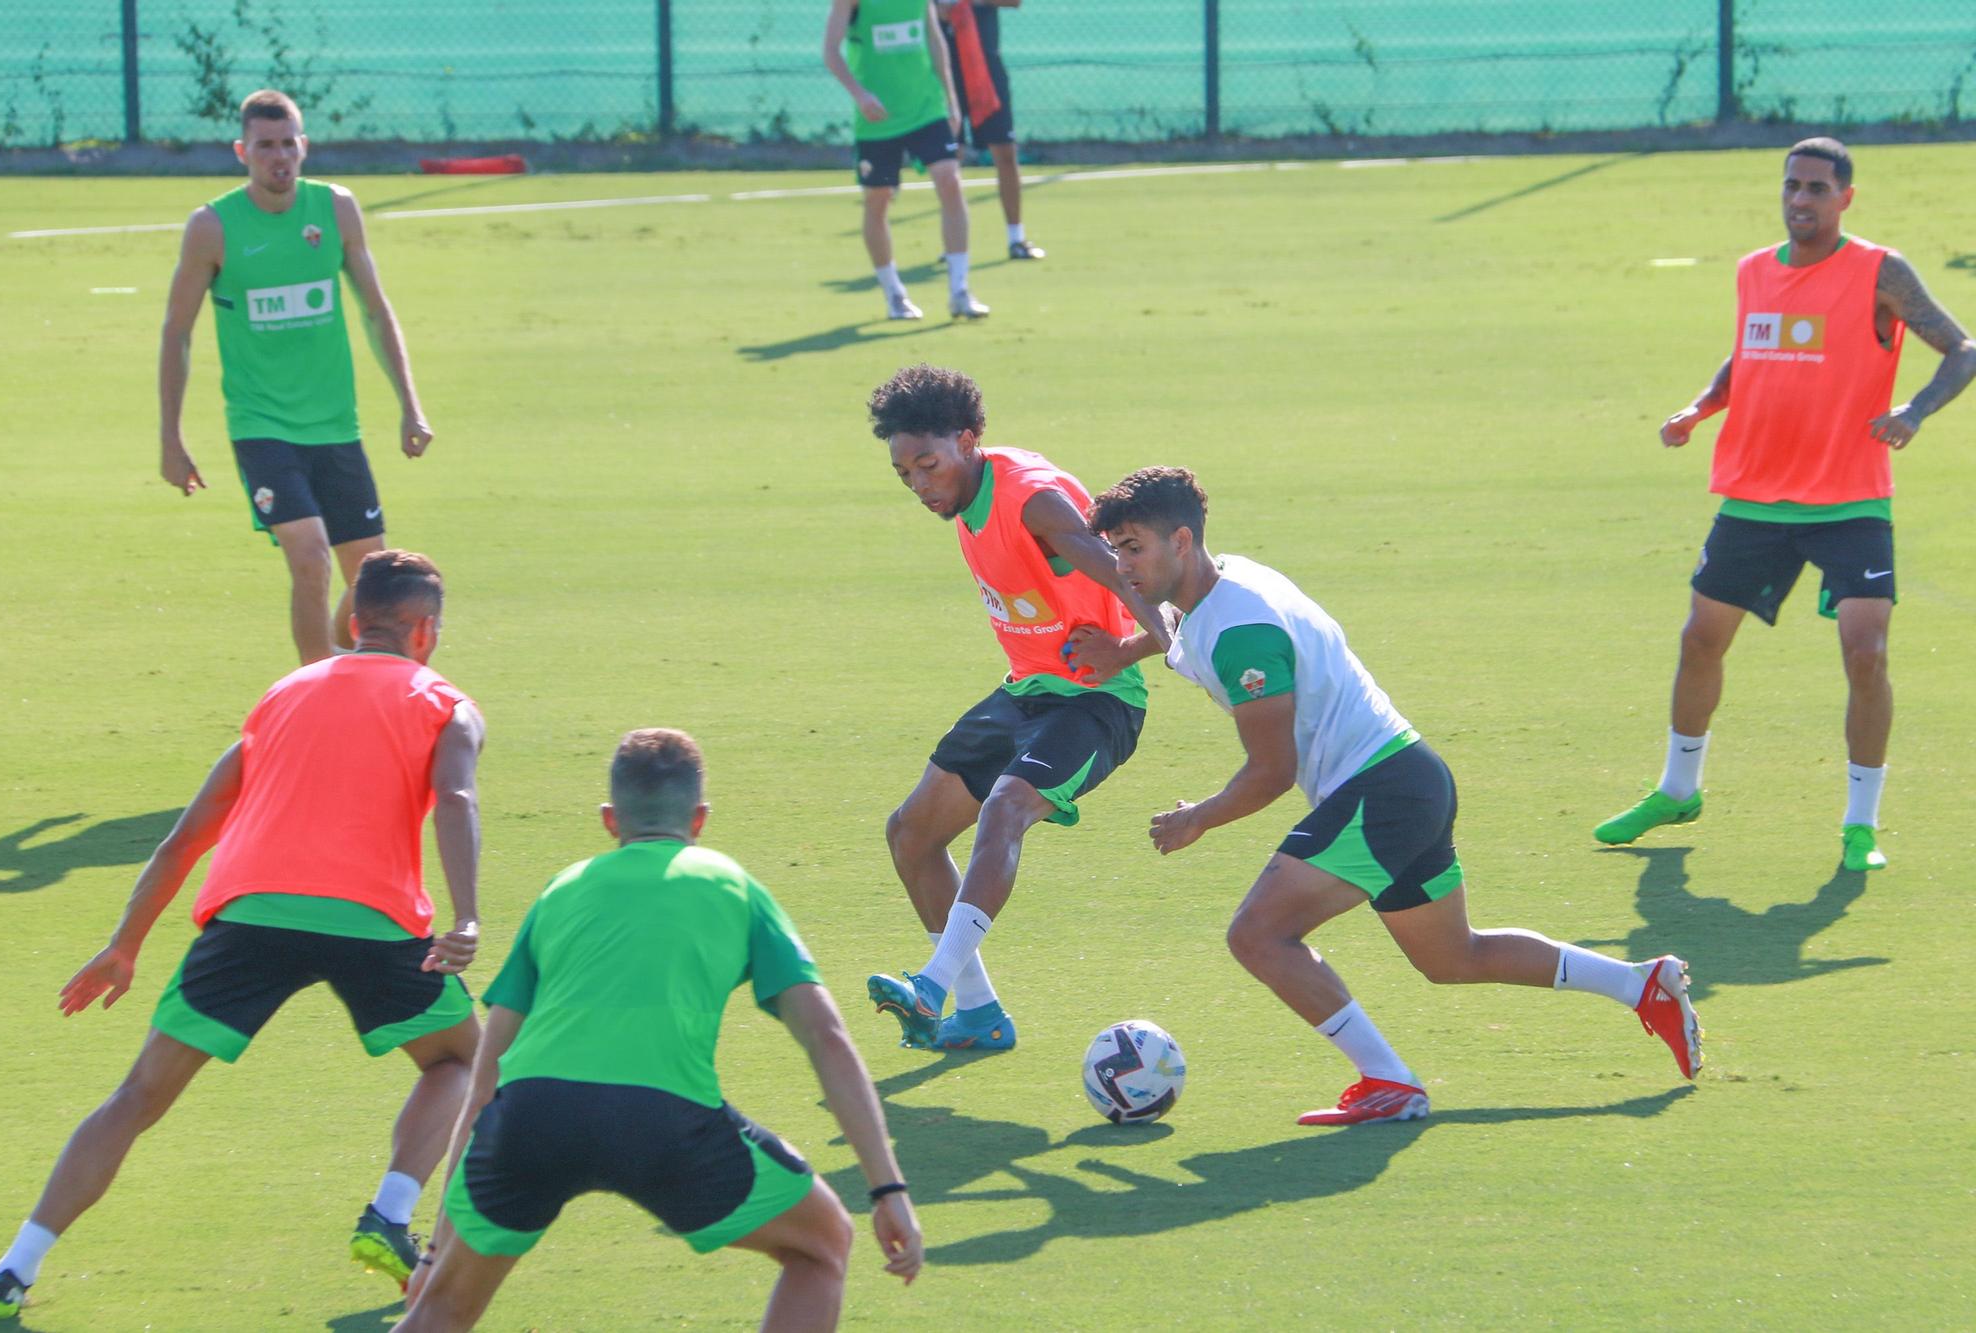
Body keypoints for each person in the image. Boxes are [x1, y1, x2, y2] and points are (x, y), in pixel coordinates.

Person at [1078, 467, 1700, 1126]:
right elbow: (1177, 626)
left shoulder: (1243, 633)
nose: (1121, 566)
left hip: (1382, 789)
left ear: (1180, 540)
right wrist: (1122, 651)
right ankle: (1639, 982)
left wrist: (1196, 818)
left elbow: (1272, 770)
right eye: (1115, 549)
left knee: (1258, 934)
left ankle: (1391, 1081)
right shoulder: (1218, 581)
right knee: (1453, 956)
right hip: (1409, 777)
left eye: (1133, 547)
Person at [0, 550, 484, 1322]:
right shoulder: (444, 701)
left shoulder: (281, 694)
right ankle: (389, 1213)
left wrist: (125, 944)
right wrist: (467, 913)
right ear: (426, 630)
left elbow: (184, 837)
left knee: (137, 1097)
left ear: (352, 621)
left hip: (249, 918)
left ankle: (13, 1269)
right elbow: (453, 795)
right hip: (374, 918)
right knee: (458, 1059)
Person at [396, 729, 922, 1333]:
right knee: (821, 1244)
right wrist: (888, 1190)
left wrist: (438, 1249)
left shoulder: (560, 892)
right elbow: (826, 1036)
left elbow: (485, 1079)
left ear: (609, 820)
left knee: (443, 1309)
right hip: (663, 1123)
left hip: (531, 1118)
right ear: (699, 819)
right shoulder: (733, 886)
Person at [1594, 138, 1976, 869]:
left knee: (1866, 655)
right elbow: (1750, 349)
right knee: (1700, 640)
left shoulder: (1878, 272)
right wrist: (1699, 409)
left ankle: (1860, 825)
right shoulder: (1753, 272)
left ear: (1845, 198)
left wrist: (1916, 410)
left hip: (1851, 500)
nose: (1801, 200)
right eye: (1792, 186)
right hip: (1756, 498)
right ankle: (1679, 788)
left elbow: (1963, 349)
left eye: (1817, 189)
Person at [862, 365, 1172, 1052]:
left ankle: (934, 986)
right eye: (904, 472)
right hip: (1029, 689)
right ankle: (977, 1014)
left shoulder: (1032, 500)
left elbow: (1144, 583)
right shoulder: (970, 494)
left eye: (928, 464)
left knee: (1007, 804)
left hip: (1098, 703)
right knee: (911, 833)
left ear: (968, 440)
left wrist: (1128, 651)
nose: (919, 484)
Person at [159, 88, 435, 667]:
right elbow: (177, 332)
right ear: (242, 151)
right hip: (262, 426)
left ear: (304, 146)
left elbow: (375, 311)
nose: (279, 156)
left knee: (369, 579)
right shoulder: (213, 227)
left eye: (288, 144)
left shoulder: (334, 209)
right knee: (310, 555)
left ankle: (344, 666)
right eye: (265, 146)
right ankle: (313, 691)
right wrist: (171, 438)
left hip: (335, 424)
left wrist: (410, 404)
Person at [823, 0, 988, 321]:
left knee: (950, 180)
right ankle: (894, 294)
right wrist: (859, 94)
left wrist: (951, 99)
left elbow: (935, 39)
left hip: (926, 108)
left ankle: (960, 290)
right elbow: (830, 51)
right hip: (878, 116)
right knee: (878, 200)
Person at [939, 1, 1045, 260]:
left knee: (1006, 154)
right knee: (949, 163)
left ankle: (1016, 238)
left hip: (986, 73)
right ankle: (953, 245)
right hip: (947, 78)